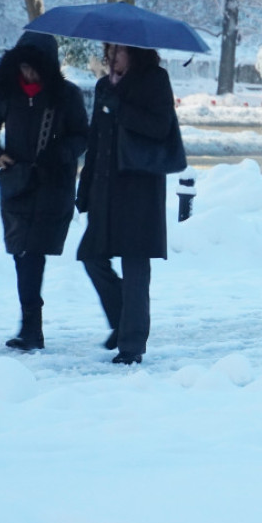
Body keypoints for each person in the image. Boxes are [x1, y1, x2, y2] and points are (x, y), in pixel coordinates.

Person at [0, 32, 88, 351]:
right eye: (24, 67)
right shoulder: (8, 93)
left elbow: (82, 135)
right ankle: (30, 327)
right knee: (21, 254)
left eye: (34, 68)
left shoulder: (67, 96)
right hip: (16, 184)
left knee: (33, 254)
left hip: (53, 187)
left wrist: (62, 153)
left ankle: (31, 328)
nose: (28, 74)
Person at [76, 43, 185, 365]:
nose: (112, 57)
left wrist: (120, 107)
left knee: (135, 267)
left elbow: (159, 127)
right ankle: (124, 319)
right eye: (109, 50)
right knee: (91, 256)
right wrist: (85, 187)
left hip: (139, 190)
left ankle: (132, 344)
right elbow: (96, 139)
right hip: (105, 189)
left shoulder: (155, 80)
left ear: (136, 52)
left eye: (119, 51)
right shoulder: (103, 86)